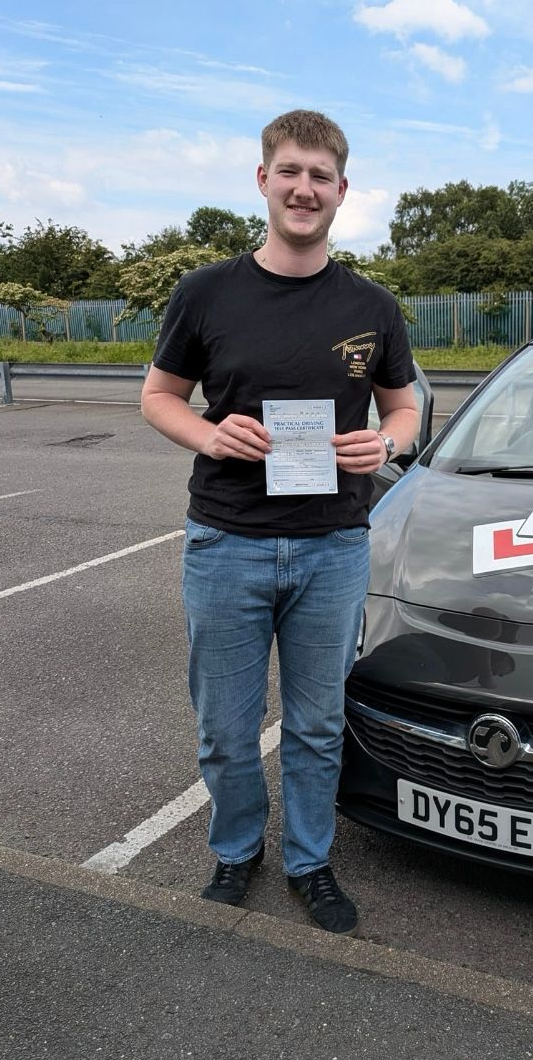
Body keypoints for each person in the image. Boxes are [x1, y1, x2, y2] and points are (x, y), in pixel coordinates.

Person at [140, 109, 418, 934]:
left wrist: (385, 443)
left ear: (342, 190)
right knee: (226, 729)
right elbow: (158, 396)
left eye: (320, 176)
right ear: (263, 179)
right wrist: (208, 433)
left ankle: (308, 860)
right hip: (226, 541)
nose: (304, 188)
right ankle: (236, 849)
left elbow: (404, 408)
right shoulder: (205, 292)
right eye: (290, 171)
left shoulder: (373, 305)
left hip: (333, 547)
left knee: (318, 724)